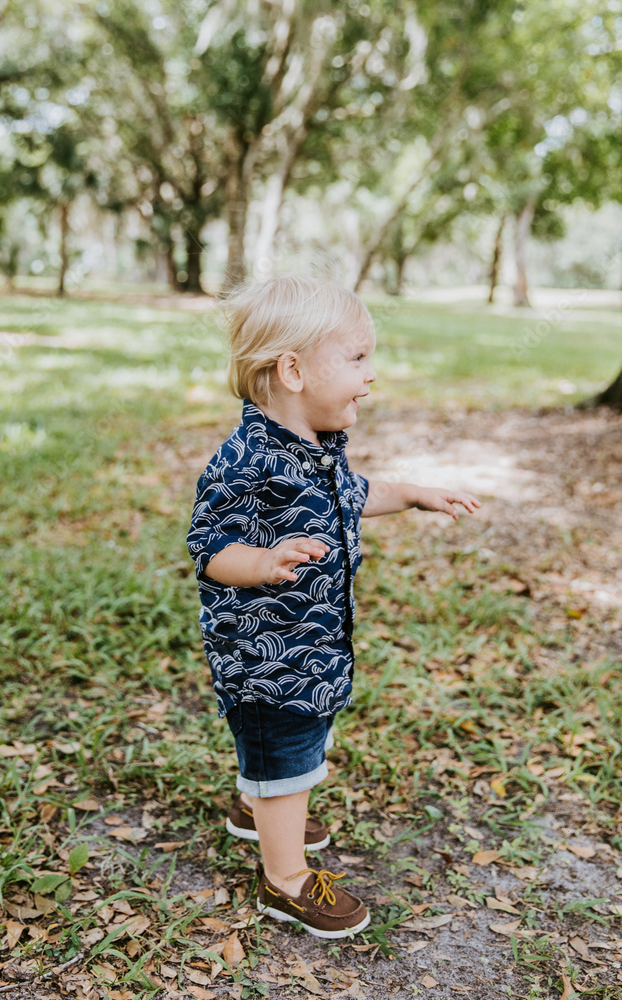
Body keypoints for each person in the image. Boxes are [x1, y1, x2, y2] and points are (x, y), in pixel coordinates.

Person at [187, 275, 482, 939]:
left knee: (297, 741)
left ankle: (253, 803)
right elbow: (208, 548)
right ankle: (283, 879)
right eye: (355, 359)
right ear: (291, 370)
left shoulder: (315, 450)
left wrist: (409, 493)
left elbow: (352, 494)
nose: (371, 376)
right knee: (287, 752)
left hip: (314, 649)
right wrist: (261, 563)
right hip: (268, 659)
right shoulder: (246, 461)